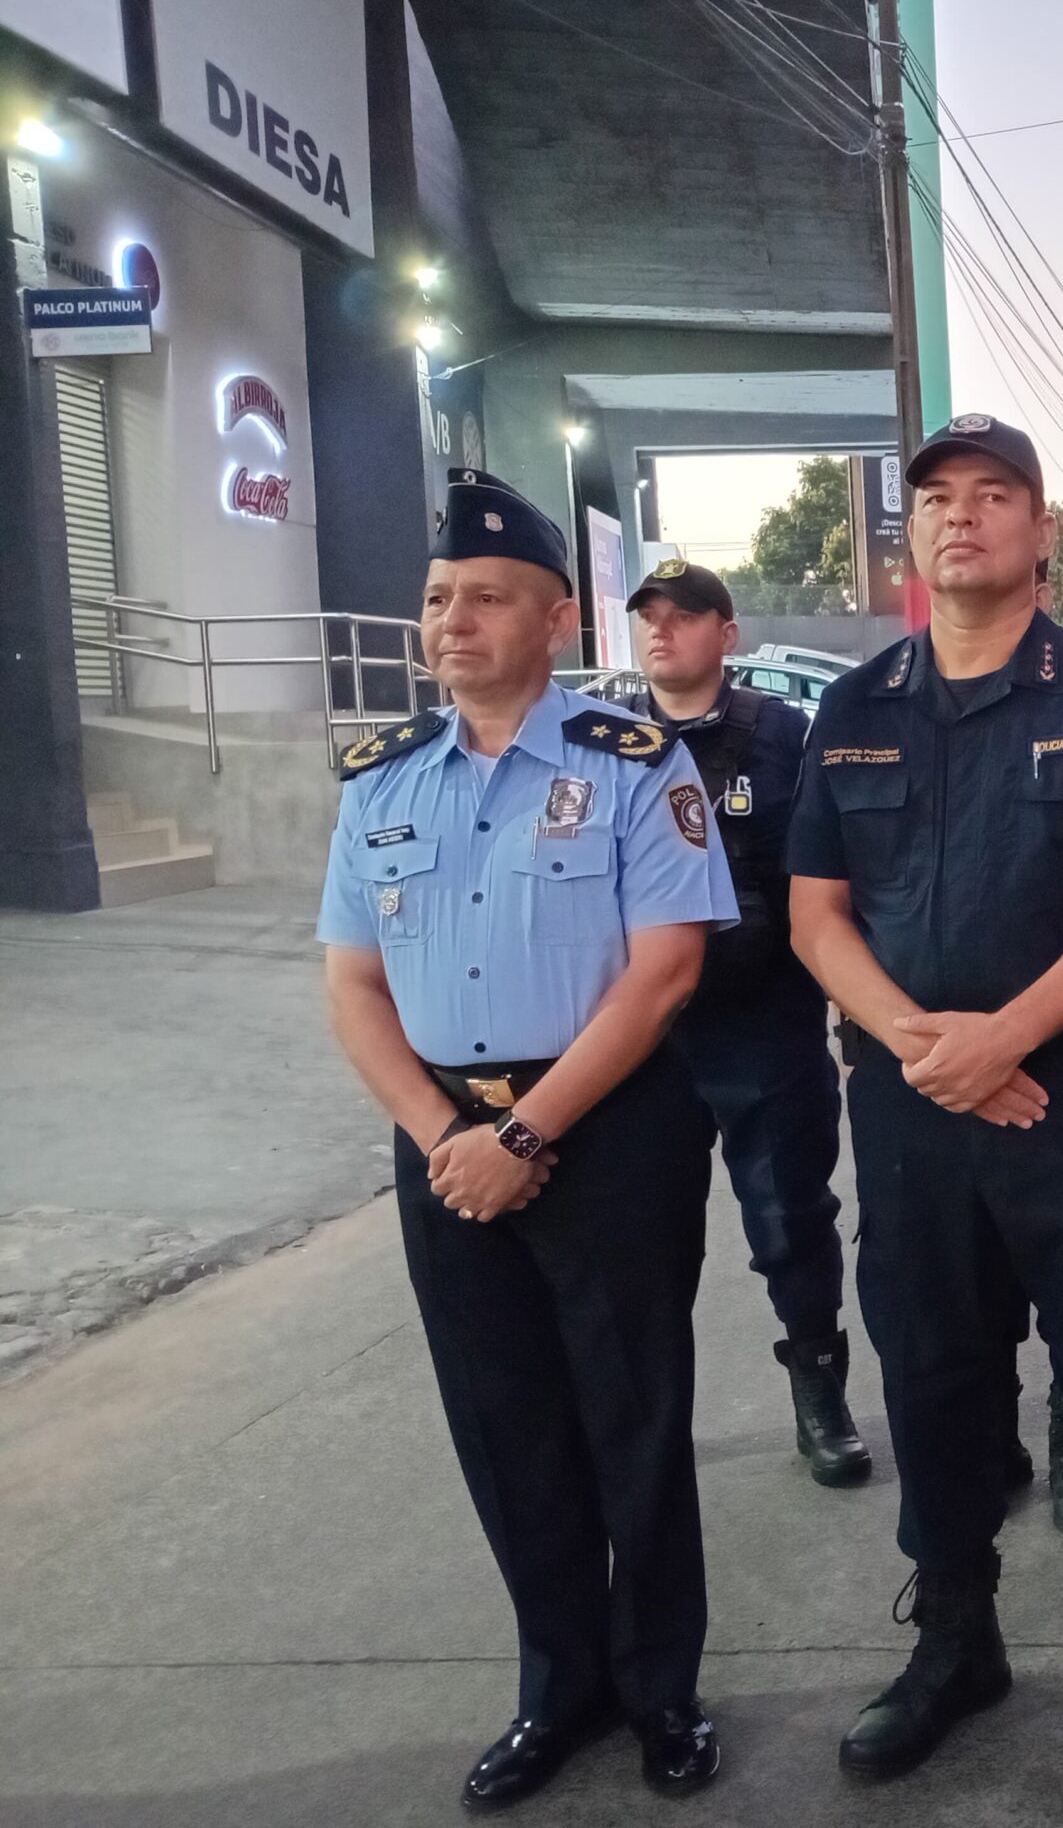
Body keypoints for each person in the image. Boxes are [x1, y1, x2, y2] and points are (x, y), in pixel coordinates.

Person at [787, 414, 1063, 1780]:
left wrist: (1007, 1037)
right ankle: (954, 1642)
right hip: (912, 1106)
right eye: (935, 499)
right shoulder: (852, 708)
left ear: (1041, 532)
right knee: (933, 1374)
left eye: (993, 496)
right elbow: (814, 916)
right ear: (908, 535)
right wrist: (926, 1043)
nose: (960, 517)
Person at [318, 469, 737, 1811]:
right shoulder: (380, 784)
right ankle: (558, 1686)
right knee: (505, 1424)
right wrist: (449, 1132)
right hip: (443, 1141)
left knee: (632, 1414)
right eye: (439, 598)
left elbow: (666, 972)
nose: (454, 620)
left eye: (487, 598)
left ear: (555, 620)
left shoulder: (636, 765)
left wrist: (530, 1128)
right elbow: (353, 986)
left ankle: (661, 1688)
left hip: (606, 1132)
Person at [627, 558, 869, 1489]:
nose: (663, 632)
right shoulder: (600, 741)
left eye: (685, 617)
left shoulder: (784, 738)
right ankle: (647, 1416)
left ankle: (819, 1393)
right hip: (644, 1035)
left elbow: (828, 879)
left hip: (763, 1019)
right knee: (641, 1230)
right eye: (650, 617)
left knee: (791, 1218)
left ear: (726, 635)